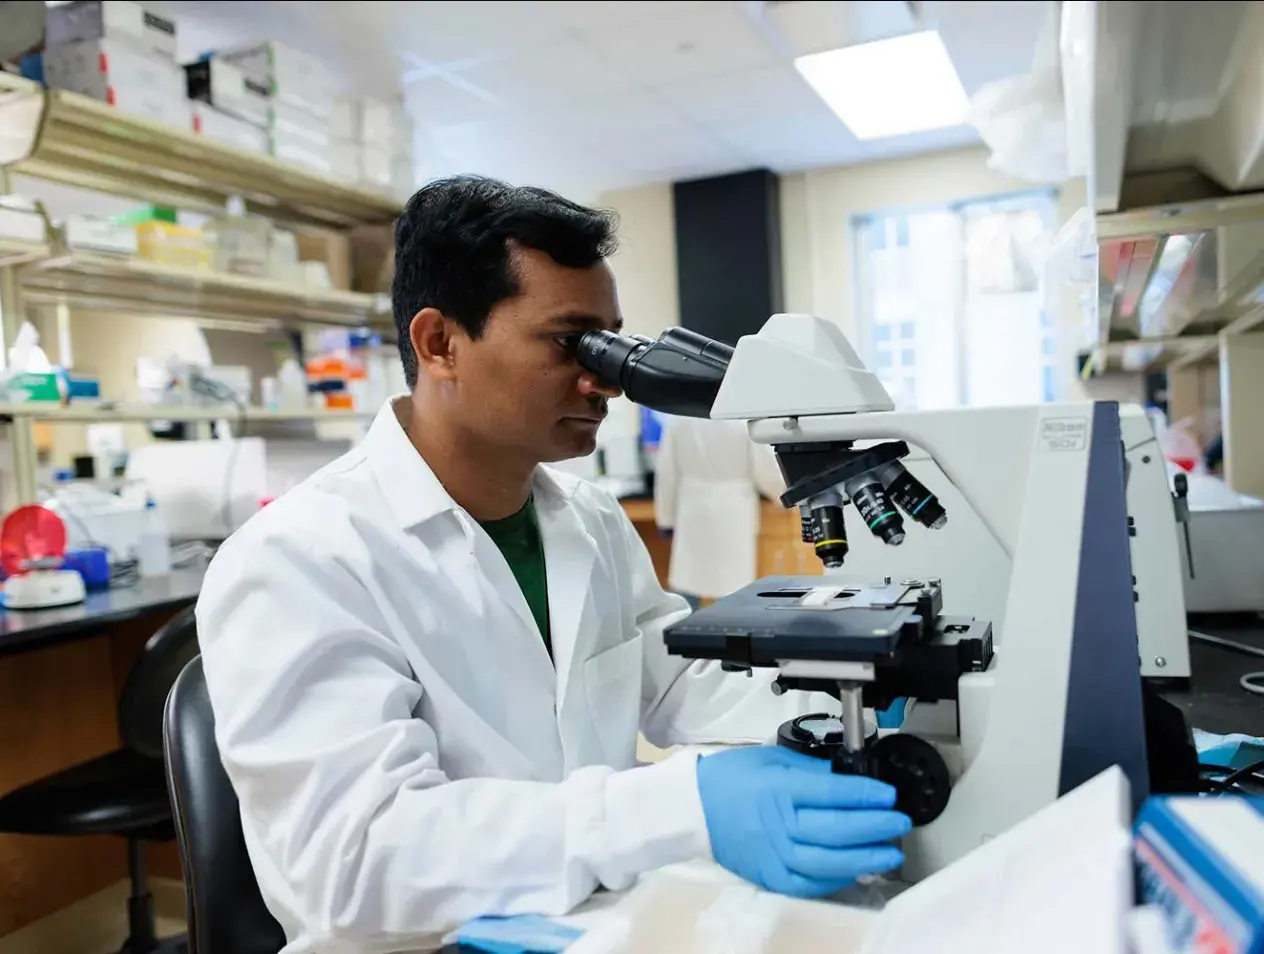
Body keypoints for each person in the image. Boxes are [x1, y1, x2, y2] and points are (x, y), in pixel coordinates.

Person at [195, 176, 911, 953]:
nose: (606, 382)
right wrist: (681, 806)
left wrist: (860, 693)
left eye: (613, 343)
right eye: (571, 342)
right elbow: (353, 862)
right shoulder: (299, 559)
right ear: (440, 344)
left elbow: (672, 680)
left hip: (592, 922)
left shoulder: (590, 519)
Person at [654, 415, 786, 602]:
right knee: (733, 587)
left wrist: (665, 519)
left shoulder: (679, 417)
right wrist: (783, 496)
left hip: (693, 508)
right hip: (733, 509)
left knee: (689, 582)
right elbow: (764, 470)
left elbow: (666, 473)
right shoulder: (743, 415)